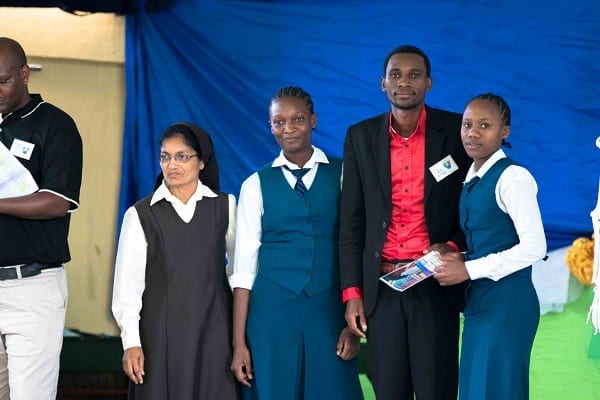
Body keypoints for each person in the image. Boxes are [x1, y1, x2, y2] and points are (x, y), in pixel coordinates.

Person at [339, 45, 471, 400]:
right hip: (380, 288)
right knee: (389, 390)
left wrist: (453, 246)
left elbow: (474, 206)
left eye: (414, 75)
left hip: (434, 282)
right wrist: (353, 294)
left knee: (436, 389)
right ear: (383, 83)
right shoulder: (359, 137)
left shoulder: (458, 132)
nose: (404, 82)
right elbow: (351, 222)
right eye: (395, 75)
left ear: (429, 82)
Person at [230, 86, 363, 400]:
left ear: (313, 120)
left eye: (298, 119)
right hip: (271, 314)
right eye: (278, 122)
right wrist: (239, 344)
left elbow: (357, 248)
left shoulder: (345, 174)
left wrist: (354, 327)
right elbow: (244, 270)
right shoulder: (255, 185)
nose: (287, 128)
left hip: (329, 310)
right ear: (270, 125)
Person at [111, 122, 238, 399]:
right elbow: (127, 288)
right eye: (165, 156)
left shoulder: (224, 206)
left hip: (214, 332)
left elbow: (238, 273)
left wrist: (238, 336)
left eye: (182, 156)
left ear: (202, 162)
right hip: (159, 335)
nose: (172, 165)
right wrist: (131, 342)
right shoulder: (141, 214)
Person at [434, 93, 547, 399]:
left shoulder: (513, 177)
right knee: (476, 390)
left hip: (508, 304)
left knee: (496, 390)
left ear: (504, 132)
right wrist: (457, 255)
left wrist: (467, 269)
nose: (472, 132)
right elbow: (493, 240)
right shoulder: (471, 176)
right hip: (480, 303)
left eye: (484, 125)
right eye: (467, 124)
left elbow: (535, 247)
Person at [0, 37, 83, 400]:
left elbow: (55, 202)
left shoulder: (55, 125)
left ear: (24, 74)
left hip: (30, 287)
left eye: (2, 81)